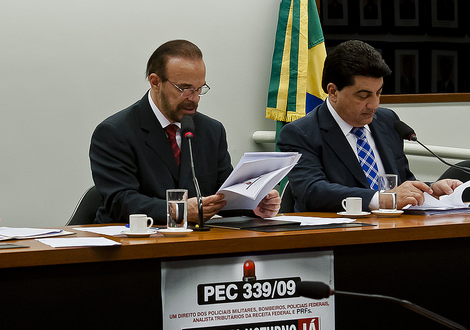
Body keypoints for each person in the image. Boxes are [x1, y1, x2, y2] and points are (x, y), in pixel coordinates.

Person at [89, 39, 281, 224]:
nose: (195, 98)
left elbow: (222, 195)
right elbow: (120, 201)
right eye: (185, 88)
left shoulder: (211, 131)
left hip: (193, 241)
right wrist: (178, 210)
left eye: (199, 89)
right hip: (132, 240)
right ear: (155, 82)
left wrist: (253, 204)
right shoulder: (115, 132)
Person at [277, 40, 461, 212]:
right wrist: (382, 199)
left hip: (394, 228)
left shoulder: (388, 121)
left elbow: (402, 183)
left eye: (378, 93)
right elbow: (312, 191)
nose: (374, 104)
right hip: (337, 231)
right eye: (363, 96)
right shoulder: (301, 133)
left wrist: (430, 190)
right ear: (333, 92)